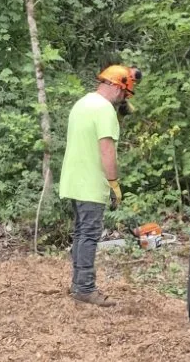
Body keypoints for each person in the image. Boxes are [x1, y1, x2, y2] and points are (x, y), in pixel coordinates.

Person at [59, 64, 142, 305]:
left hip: (73, 180)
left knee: (80, 233)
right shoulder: (104, 110)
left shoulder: (83, 103)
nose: (123, 99)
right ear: (117, 86)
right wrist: (114, 183)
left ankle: (78, 284)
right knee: (89, 235)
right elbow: (107, 150)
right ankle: (84, 288)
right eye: (124, 94)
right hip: (91, 183)